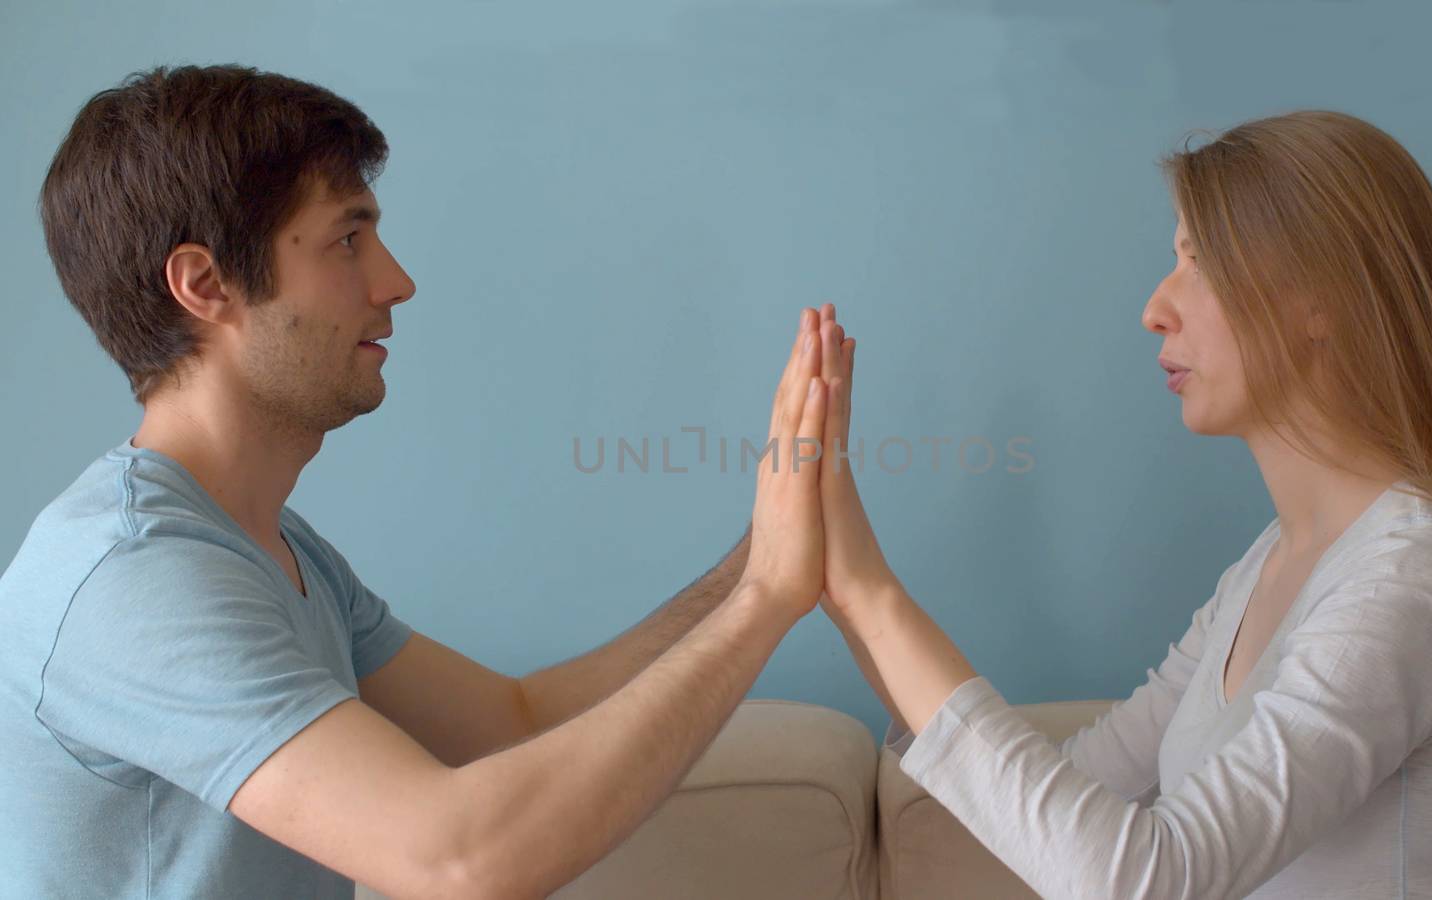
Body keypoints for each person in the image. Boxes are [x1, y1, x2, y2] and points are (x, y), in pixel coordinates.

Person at [0, 63, 838, 898]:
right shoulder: (134, 576)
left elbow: (516, 724)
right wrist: (769, 597)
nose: (395, 282)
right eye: (346, 239)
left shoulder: (279, 551)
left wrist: (758, 556)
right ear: (206, 285)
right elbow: (458, 859)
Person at [810, 111, 1432, 898]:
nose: (1156, 306)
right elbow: (1082, 786)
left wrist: (868, 589)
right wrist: (840, 587)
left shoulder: (1418, 573)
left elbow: (1144, 880)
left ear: (1322, 299)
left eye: (1201, 260)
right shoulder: (1273, 563)